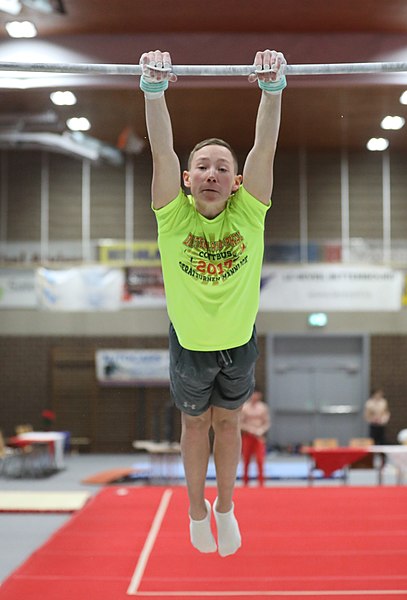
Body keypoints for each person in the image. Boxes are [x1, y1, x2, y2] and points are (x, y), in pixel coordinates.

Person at [139, 48, 286, 557]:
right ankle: (196, 509)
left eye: (222, 167)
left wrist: (272, 89)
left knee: (229, 423)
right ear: (186, 178)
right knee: (195, 424)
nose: (210, 173)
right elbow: (161, 151)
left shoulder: (249, 214)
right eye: (201, 165)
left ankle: (225, 506)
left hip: (239, 345)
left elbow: (264, 147)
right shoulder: (172, 217)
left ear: (237, 181)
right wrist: (154, 91)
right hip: (191, 347)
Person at [240, 389, 271, 486]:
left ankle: (261, 483)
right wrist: (249, 429)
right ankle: (245, 482)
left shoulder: (263, 407)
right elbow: (240, 423)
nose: (255, 396)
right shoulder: (245, 407)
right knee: (246, 460)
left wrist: (261, 430)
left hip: (259, 437)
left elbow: (267, 423)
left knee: (260, 460)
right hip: (248, 436)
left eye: (257, 394)